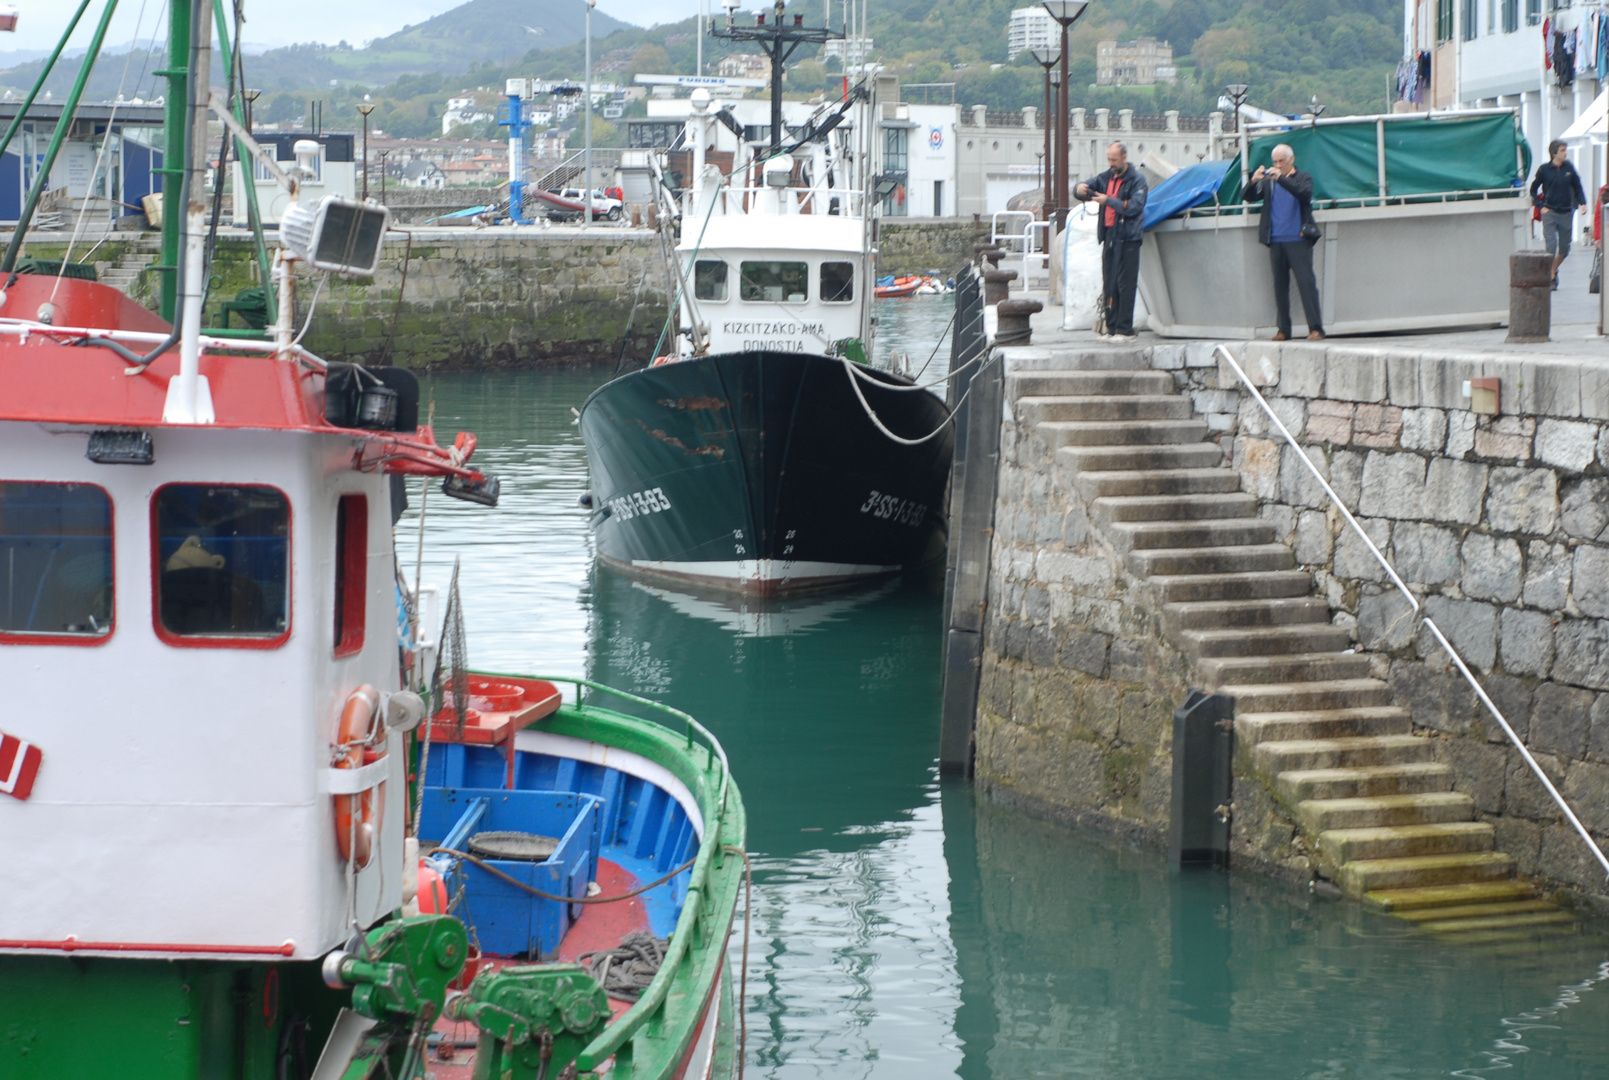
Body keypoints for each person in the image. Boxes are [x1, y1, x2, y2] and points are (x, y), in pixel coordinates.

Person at [1245, 144, 1324, 342]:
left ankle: (1316, 328)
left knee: (1307, 284)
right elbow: (1247, 196)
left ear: (1292, 160)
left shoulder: (1302, 178)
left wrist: (1280, 178)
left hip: (1298, 238)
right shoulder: (1269, 183)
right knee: (1280, 286)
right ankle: (1283, 329)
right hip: (1276, 239)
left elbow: (1303, 193)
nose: (1277, 165)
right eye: (1275, 162)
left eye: (1281, 161)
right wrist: (1253, 181)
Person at [1074, 141, 1148, 342]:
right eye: (1109, 159)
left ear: (1124, 158)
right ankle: (1112, 327)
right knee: (1110, 283)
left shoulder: (1137, 180)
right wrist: (1079, 188)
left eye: (1114, 160)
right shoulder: (1105, 178)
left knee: (1126, 283)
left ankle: (1124, 329)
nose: (1111, 163)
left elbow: (1134, 207)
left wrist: (1109, 201)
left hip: (1128, 237)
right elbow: (1085, 188)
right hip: (1110, 237)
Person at [1530, 140, 1587, 290]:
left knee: (1564, 248)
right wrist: (1540, 206)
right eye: (1562, 150)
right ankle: (1551, 276)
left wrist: (1583, 203)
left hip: (1566, 211)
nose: (1565, 153)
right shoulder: (1544, 170)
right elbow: (1533, 189)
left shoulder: (1569, 168)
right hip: (1550, 211)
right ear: (1554, 153)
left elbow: (1577, 186)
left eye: (1565, 150)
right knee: (1551, 245)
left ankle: (1553, 269)